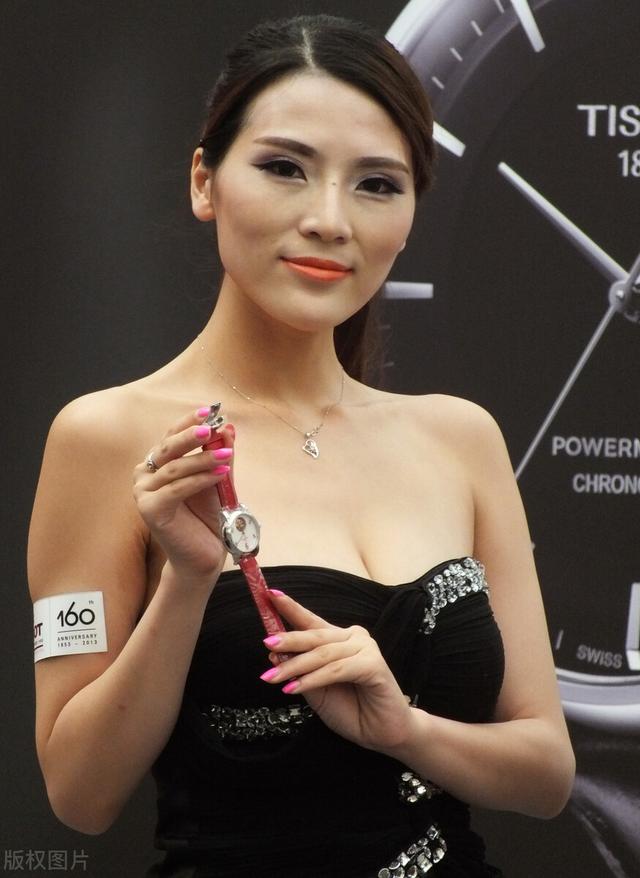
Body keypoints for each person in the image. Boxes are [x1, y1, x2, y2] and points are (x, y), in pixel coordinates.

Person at [28, 14, 575, 878]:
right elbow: (79, 793)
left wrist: (404, 729)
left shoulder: (461, 438)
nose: (329, 219)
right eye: (285, 168)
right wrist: (187, 582)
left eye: (377, 184)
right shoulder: (107, 437)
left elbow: (546, 773)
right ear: (205, 181)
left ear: (411, 215)